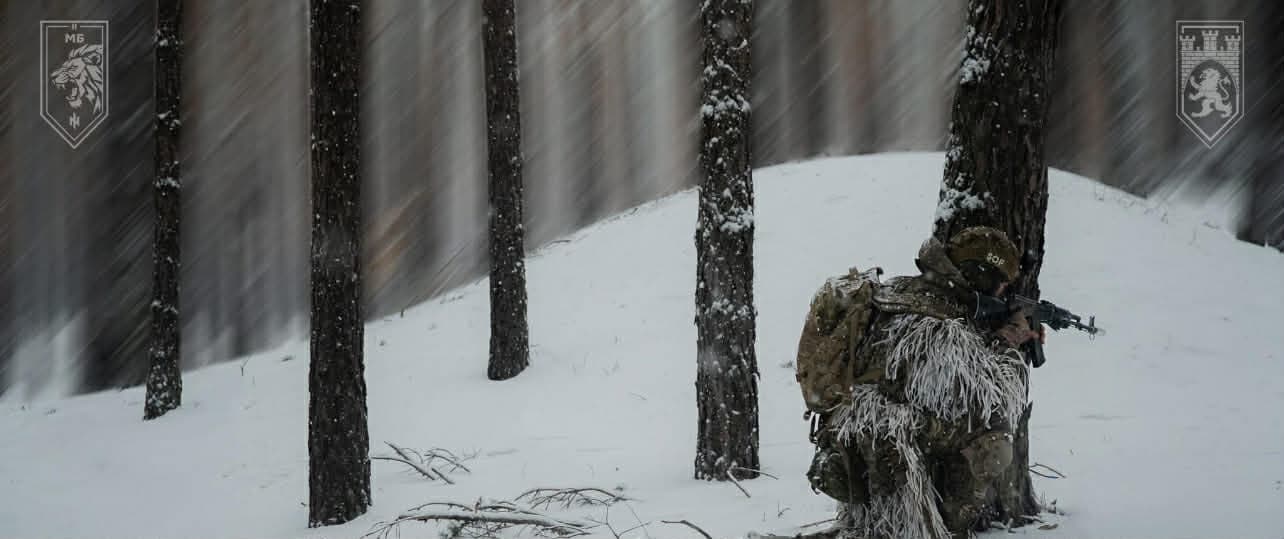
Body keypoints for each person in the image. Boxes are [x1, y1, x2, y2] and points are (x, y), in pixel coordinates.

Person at [805, 226, 1043, 539]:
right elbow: (987, 400)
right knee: (993, 443)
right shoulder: (940, 323)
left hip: (855, 427)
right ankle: (942, 527)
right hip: (891, 438)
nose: (1001, 294)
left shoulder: (900, 291)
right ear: (981, 279)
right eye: (1000, 286)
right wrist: (1008, 345)